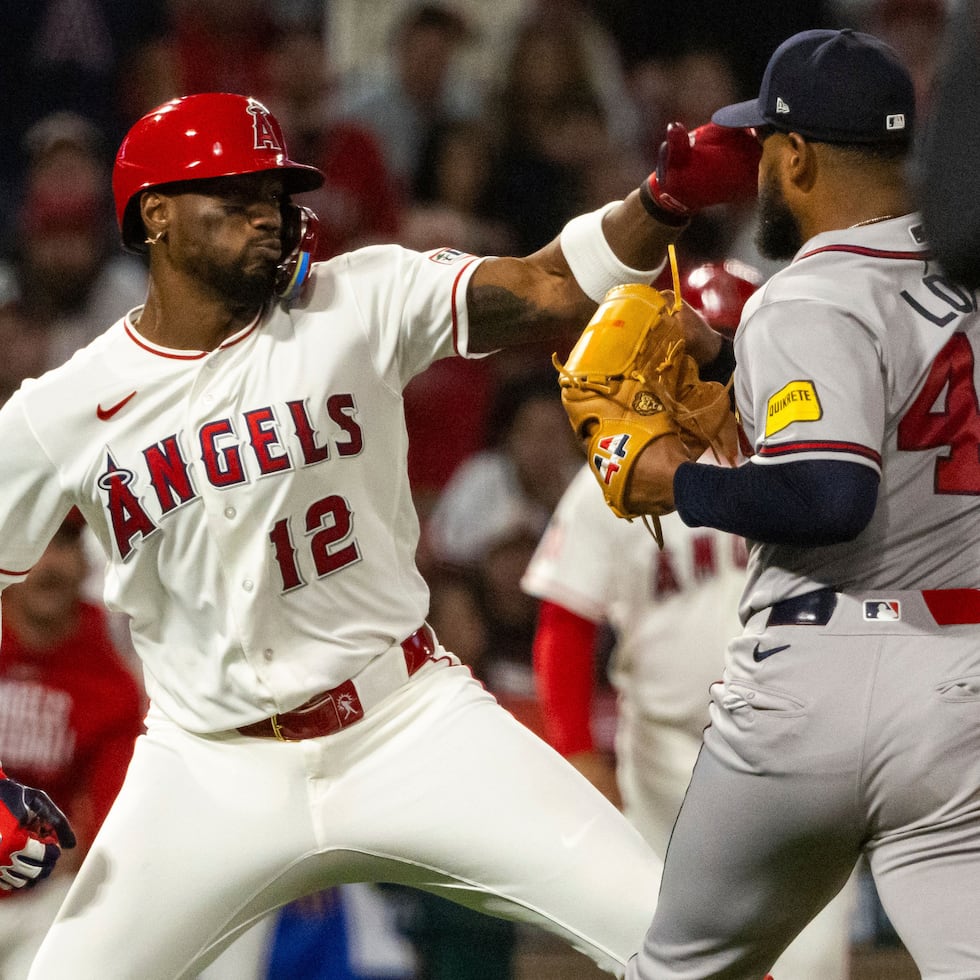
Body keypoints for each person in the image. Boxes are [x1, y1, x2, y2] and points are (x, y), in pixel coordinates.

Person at [7, 91, 761, 979]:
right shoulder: (59, 412)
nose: (271, 214)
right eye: (238, 193)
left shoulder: (356, 298)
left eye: (278, 193)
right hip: (207, 768)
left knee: (690, 947)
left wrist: (661, 200)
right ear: (156, 215)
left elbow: (548, 282)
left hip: (406, 720)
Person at [595, 29, 980, 980]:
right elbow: (907, 399)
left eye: (766, 144)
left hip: (821, 676)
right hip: (963, 688)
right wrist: (729, 361)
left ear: (796, 156)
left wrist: (669, 481)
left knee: (679, 973)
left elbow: (830, 493)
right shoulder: (965, 273)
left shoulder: (807, 293)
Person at [523, 260, 855, 980]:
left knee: (811, 966)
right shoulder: (618, 471)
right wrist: (580, 750)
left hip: (804, 751)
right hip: (665, 764)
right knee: (669, 962)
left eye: (715, 354)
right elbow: (565, 622)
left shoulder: (818, 460)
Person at [0, 510, 145, 978]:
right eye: (36, 547)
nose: (50, 565)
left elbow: (108, 823)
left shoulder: (110, 683)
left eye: (64, 545)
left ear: (85, 565)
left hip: (43, 894)